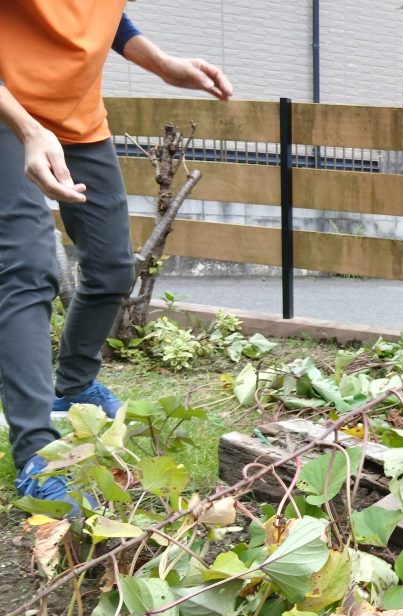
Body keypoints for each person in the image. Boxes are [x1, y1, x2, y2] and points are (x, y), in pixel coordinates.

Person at [0, 6, 233, 514]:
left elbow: (101, 15)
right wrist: (28, 129)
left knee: (111, 267)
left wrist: (162, 63)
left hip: (78, 118)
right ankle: (37, 458)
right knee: (28, 267)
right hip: (6, 109)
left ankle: (74, 387)